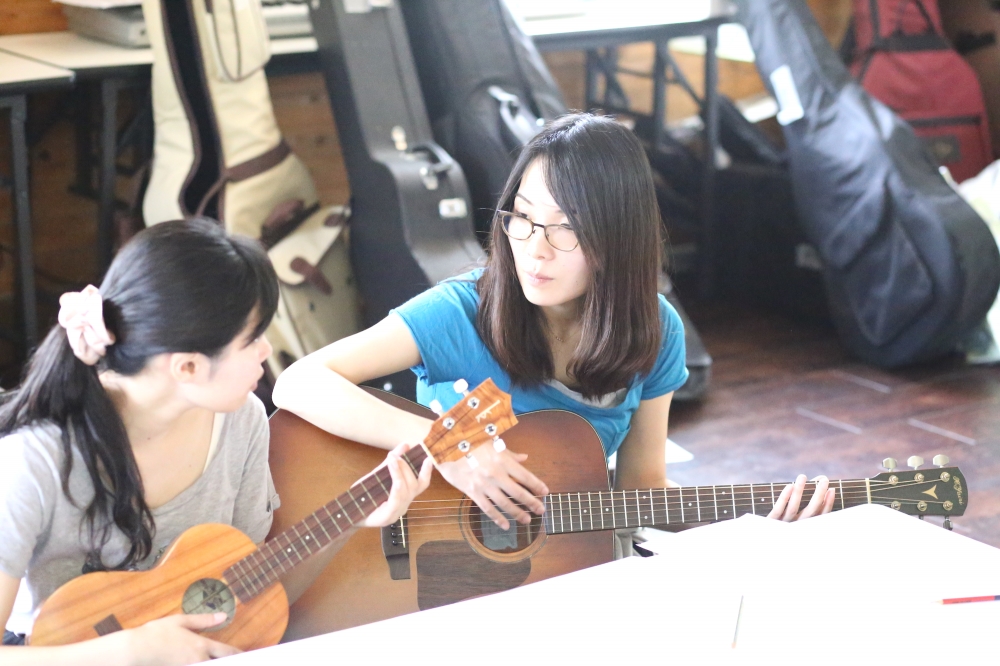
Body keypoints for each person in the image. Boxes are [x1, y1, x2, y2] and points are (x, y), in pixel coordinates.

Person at [272, 112, 835, 535]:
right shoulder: (460, 309)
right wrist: (450, 444)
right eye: (522, 218)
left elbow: (642, 490)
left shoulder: (657, 330)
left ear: (618, 237)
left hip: (559, 556)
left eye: (565, 227)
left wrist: (759, 517)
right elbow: (298, 382)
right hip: (426, 547)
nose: (534, 250)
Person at [0, 219, 432, 665]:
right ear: (186, 367)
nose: (266, 351)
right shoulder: (32, 463)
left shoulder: (241, 422)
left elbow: (253, 594)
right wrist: (130, 650)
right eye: (252, 340)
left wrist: (355, 516)